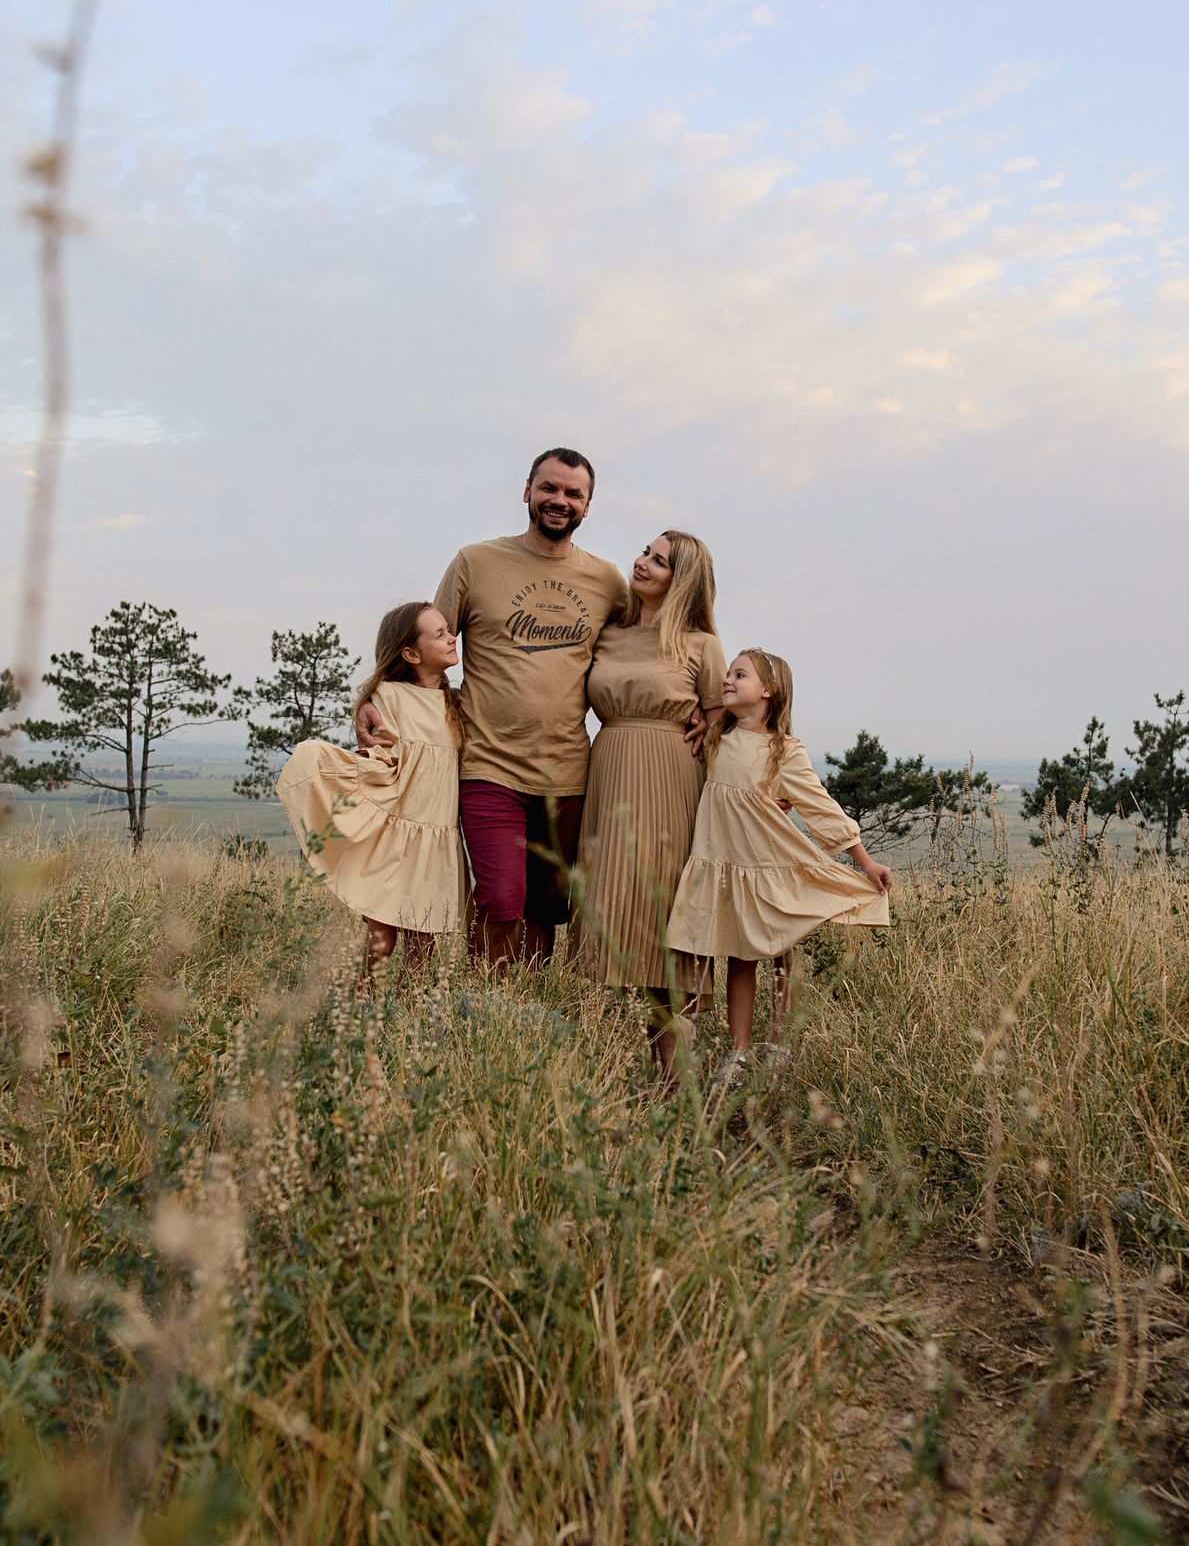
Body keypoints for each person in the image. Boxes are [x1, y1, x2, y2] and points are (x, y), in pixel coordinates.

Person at [364, 447, 636, 967]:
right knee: (501, 899)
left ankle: (522, 1010)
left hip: (570, 772)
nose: (559, 500)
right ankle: (487, 1006)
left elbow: (643, 648)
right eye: (549, 488)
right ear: (528, 491)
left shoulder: (606, 582)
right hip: (488, 764)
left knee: (548, 905)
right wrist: (374, 701)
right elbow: (420, 643)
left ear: (587, 505)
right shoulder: (476, 561)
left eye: (572, 493)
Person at [666, 648, 893, 1090]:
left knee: (783, 951)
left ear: (768, 690)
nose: (727, 680)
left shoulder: (782, 751)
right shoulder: (717, 736)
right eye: (728, 674)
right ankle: (738, 1055)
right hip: (726, 865)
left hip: (769, 864)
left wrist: (863, 862)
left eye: (740, 675)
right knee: (740, 957)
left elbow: (819, 806)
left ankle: (779, 1045)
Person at [572, 530, 726, 1080]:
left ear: (680, 580)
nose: (642, 564)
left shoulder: (701, 644)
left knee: (662, 913)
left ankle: (677, 1078)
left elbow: (721, 724)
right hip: (609, 769)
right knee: (608, 902)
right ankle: (604, 1068)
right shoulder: (607, 634)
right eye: (645, 552)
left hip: (671, 780)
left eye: (660, 562)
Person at [276, 602, 467, 979]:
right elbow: (383, 757)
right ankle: (357, 1001)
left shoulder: (455, 703)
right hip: (397, 835)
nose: (452, 637)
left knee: (423, 939)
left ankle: (409, 1011)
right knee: (382, 936)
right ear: (411, 654)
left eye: (449, 630)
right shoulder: (389, 696)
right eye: (440, 633)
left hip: (436, 832)